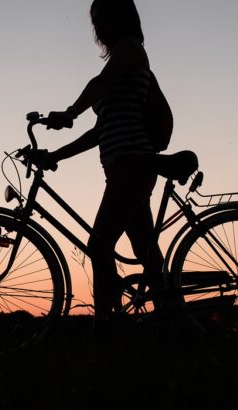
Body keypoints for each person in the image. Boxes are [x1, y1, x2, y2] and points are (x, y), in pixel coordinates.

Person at [44, 0, 167, 320]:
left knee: (99, 246)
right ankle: (174, 321)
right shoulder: (119, 62)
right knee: (146, 252)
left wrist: (70, 113)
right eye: (94, 21)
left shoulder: (129, 50)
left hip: (132, 164)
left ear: (121, 17)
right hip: (124, 167)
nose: (97, 26)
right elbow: (100, 132)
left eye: (103, 18)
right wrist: (56, 155)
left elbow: (99, 85)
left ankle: (106, 330)